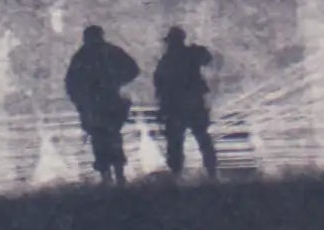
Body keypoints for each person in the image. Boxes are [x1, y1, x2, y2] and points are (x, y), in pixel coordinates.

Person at [63, 24, 140, 183]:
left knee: (100, 139)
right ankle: (118, 176)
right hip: (108, 102)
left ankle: (109, 177)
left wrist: (80, 102)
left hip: (95, 105)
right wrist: (116, 81)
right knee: (112, 137)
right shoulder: (111, 51)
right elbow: (133, 70)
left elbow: (71, 83)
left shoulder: (82, 56)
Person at [153, 25, 218, 179]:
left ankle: (179, 175)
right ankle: (211, 173)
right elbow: (207, 59)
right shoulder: (189, 54)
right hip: (192, 104)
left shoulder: (168, 60)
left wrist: (162, 108)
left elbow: (159, 85)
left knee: (177, 142)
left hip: (176, 107)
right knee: (201, 139)